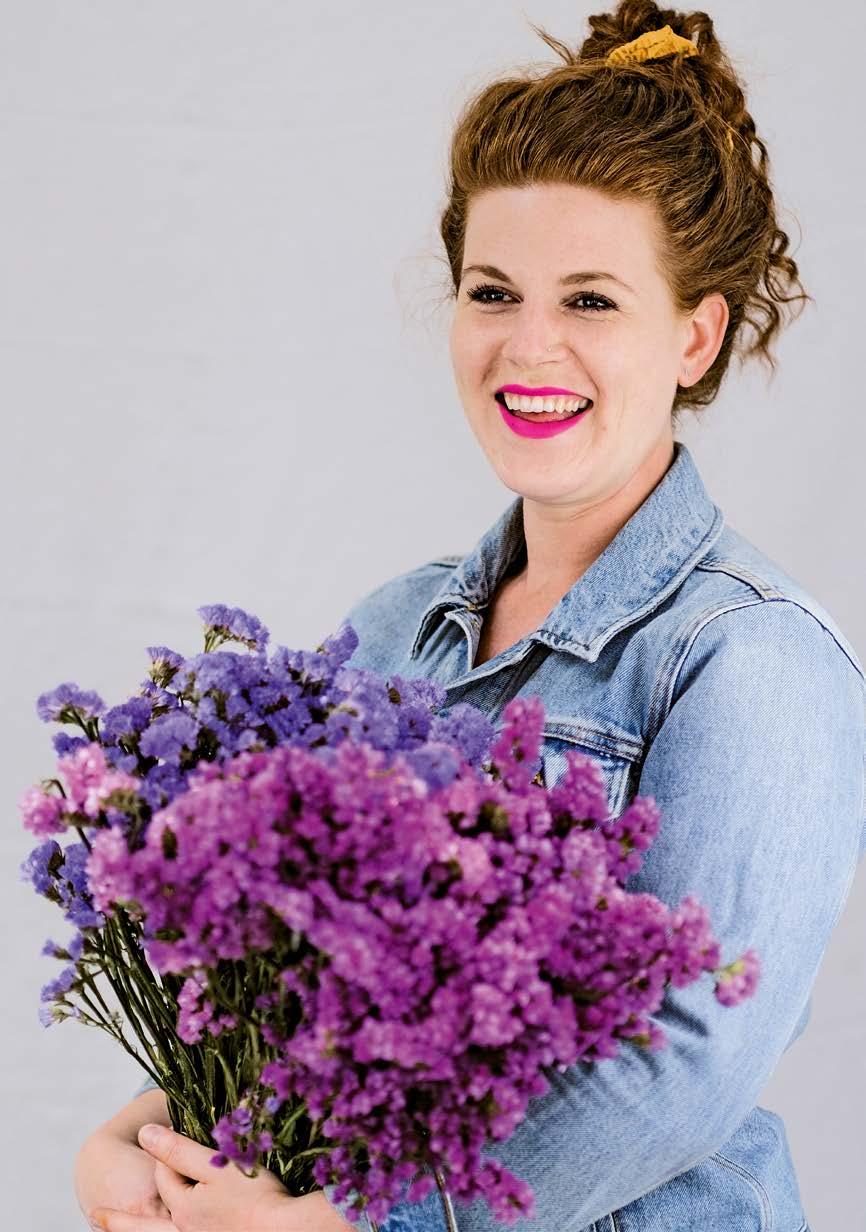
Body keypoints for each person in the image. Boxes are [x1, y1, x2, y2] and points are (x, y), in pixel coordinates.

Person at [75, 3, 865, 1230]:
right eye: (493, 291)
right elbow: (275, 975)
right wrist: (141, 1134)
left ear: (693, 334)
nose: (528, 346)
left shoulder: (750, 658)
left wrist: (350, 1223)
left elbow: (680, 1069)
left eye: (591, 300)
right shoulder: (390, 630)